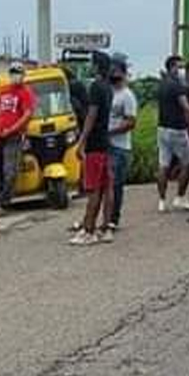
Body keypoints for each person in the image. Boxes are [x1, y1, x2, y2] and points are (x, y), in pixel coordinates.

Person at [72, 52, 115, 246]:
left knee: (93, 189)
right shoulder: (108, 88)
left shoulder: (96, 87)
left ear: (97, 66)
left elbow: (91, 116)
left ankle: (88, 230)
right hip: (105, 142)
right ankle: (105, 228)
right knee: (107, 187)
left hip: (95, 145)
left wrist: (81, 141)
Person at [156, 55, 189, 213]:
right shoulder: (177, 86)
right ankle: (180, 197)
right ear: (173, 67)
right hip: (178, 130)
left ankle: (162, 201)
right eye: (180, 67)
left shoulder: (162, 84)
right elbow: (185, 106)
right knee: (188, 163)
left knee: (163, 165)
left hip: (162, 129)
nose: (182, 70)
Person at [0, 63, 35, 219]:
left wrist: (13, 129)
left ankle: (4, 203)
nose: (16, 75)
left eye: (18, 72)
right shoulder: (3, 90)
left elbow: (27, 114)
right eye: (13, 72)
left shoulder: (26, 92)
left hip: (13, 136)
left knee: (10, 170)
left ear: (23, 75)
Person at [107, 60, 138, 229]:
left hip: (120, 147)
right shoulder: (108, 93)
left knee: (116, 184)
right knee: (107, 184)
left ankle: (113, 218)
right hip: (106, 145)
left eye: (118, 73)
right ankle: (107, 217)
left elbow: (131, 122)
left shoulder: (127, 95)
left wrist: (110, 133)